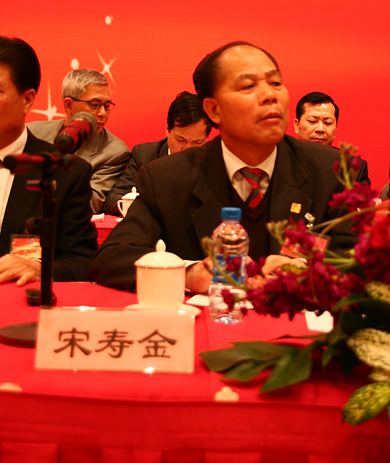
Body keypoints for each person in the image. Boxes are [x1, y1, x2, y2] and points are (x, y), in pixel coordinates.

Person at [89, 41, 357, 294]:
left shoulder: (328, 170)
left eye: (275, 83)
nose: (270, 95)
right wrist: (187, 274)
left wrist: (310, 270)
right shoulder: (167, 179)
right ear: (214, 110)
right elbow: (112, 258)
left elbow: (357, 260)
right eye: (249, 86)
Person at [0, 35, 98, 285]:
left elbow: (83, 261)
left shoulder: (62, 171)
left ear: (27, 100)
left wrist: (40, 268)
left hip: (7, 304)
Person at [28, 69, 130, 213]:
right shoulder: (32, 132)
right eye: (94, 104)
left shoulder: (114, 153)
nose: (102, 113)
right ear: (69, 105)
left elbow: (88, 203)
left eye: (107, 106)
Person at [104, 91, 212, 215]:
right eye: (181, 139)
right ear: (167, 129)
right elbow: (114, 198)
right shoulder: (145, 156)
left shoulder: (216, 160)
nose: (188, 148)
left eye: (197, 141)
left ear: (206, 137)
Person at [294, 91, 370, 185]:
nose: (320, 129)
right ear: (297, 126)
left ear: (335, 129)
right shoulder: (281, 160)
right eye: (312, 121)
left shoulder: (352, 168)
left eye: (328, 123)